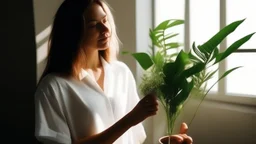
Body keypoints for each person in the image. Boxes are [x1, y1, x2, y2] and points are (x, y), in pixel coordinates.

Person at [34, 0, 193, 144]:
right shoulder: (53, 87)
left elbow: (132, 139)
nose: (104, 29)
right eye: (93, 25)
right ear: (73, 33)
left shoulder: (121, 73)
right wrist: (130, 119)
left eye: (104, 20)